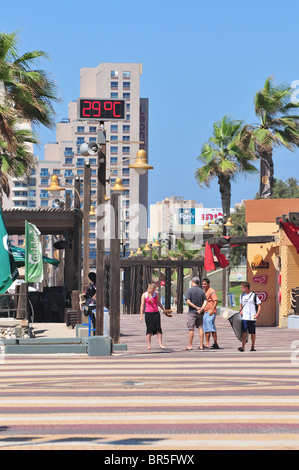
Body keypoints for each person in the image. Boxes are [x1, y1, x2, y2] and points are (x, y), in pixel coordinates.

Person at [140, 283, 166, 350]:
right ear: (149, 289)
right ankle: (149, 345)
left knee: (158, 329)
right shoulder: (144, 295)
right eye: (152, 290)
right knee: (149, 329)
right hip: (148, 313)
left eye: (154, 290)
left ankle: (160, 344)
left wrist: (163, 309)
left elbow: (158, 302)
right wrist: (141, 316)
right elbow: (142, 305)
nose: (153, 292)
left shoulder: (156, 294)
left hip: (156, 313)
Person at [184, 277, 207, 350]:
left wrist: (197, 308)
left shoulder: (189, 290)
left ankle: (190, 345)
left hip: (192, 312)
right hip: (200, 313)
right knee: (200, 328)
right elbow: (205, 301)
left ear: (193, 282)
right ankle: (201, 345)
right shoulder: (202, 291)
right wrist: (201, 309)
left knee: (191, 329)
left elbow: (188, 301)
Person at [239, 281, 261, 352]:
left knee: (252, 333)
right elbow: (241, 304)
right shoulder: (242, 295)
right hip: (244, 317)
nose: (241, 288)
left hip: (252, 317)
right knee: (244, 332)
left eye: (242, 287)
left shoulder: (254, 295)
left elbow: (259, 305)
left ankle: (252, 346)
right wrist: (241, 310)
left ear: (246, 287)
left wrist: (257, 313)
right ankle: (243, 347)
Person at [202, 278, 220, 349]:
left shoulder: (211, 291)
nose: (204, 285)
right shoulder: (204, 291)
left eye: (205, 284)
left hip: (210, 312)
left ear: (208, 284)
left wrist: (212, 310)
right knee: (206, 328)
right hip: (205, 312)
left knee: (211, 328)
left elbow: (215, 301)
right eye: (203, 284)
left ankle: (215, 343)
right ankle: (207, 343)